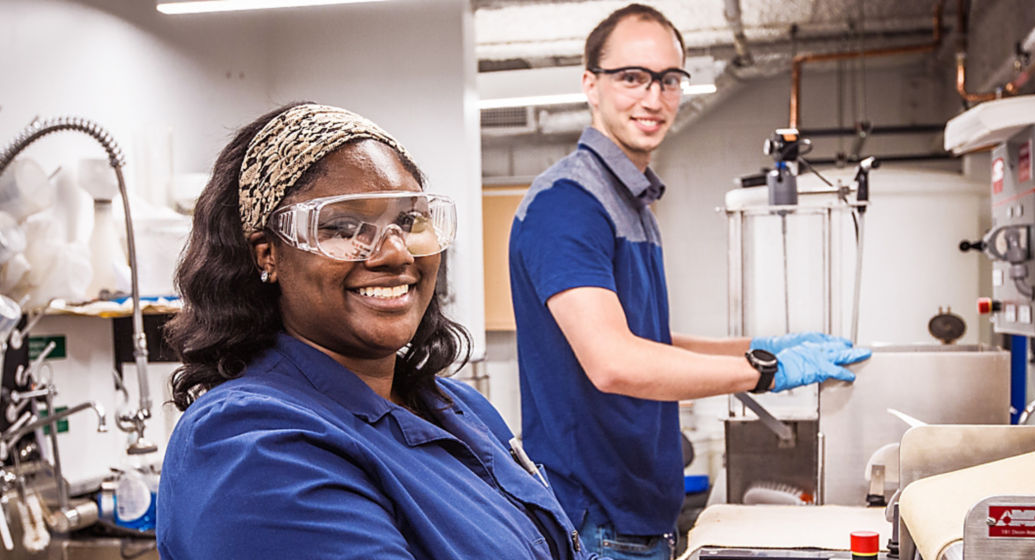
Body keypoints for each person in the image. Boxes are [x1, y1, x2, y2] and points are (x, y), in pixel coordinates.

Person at [508, 4, 872, 559]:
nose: (654, 98)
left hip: (636, 515)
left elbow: (647, 342)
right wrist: (763, 373)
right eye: (632, 77)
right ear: (591, 84)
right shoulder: (568, 206)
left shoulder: (631, 203)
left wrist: (760, 347)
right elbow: (615, 362)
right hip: (596, 521)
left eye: (669, 79)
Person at [157, 102, 594, 560]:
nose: (395, 253)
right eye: (344, 228)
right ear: (267, 254)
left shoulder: (458, 407)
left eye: (407, 222)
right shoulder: (250, 446)